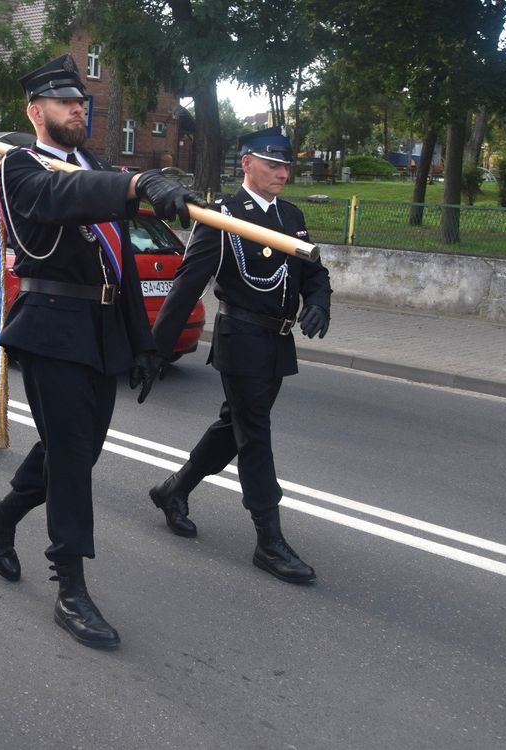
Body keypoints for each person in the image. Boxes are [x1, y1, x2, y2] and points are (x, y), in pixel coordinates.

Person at [0, 54, 200, 650]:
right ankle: (70, 587)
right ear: (35, 111)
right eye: (64, 101)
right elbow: (56, 199)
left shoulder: (96, 164)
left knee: (72, 452)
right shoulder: (19, 166)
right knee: (71, 457)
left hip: (102, 329)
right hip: (51, 327)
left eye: (81, 102)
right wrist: (132, 184)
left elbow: (120, 265)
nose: (78, 108)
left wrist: (145, 343)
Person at [146, 126, 332, 584]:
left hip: (277, 342)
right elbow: (186, 284)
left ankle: (174, 490)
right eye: (272, 164)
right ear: (246, 163)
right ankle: (269, 541)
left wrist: (320, 303)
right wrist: (153, 350)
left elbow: (314, 272)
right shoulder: (223, 217)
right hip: (241, 339)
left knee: (236, 427)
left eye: (287, 165)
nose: (282, 173)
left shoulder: (291, 214)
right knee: (255, 435)